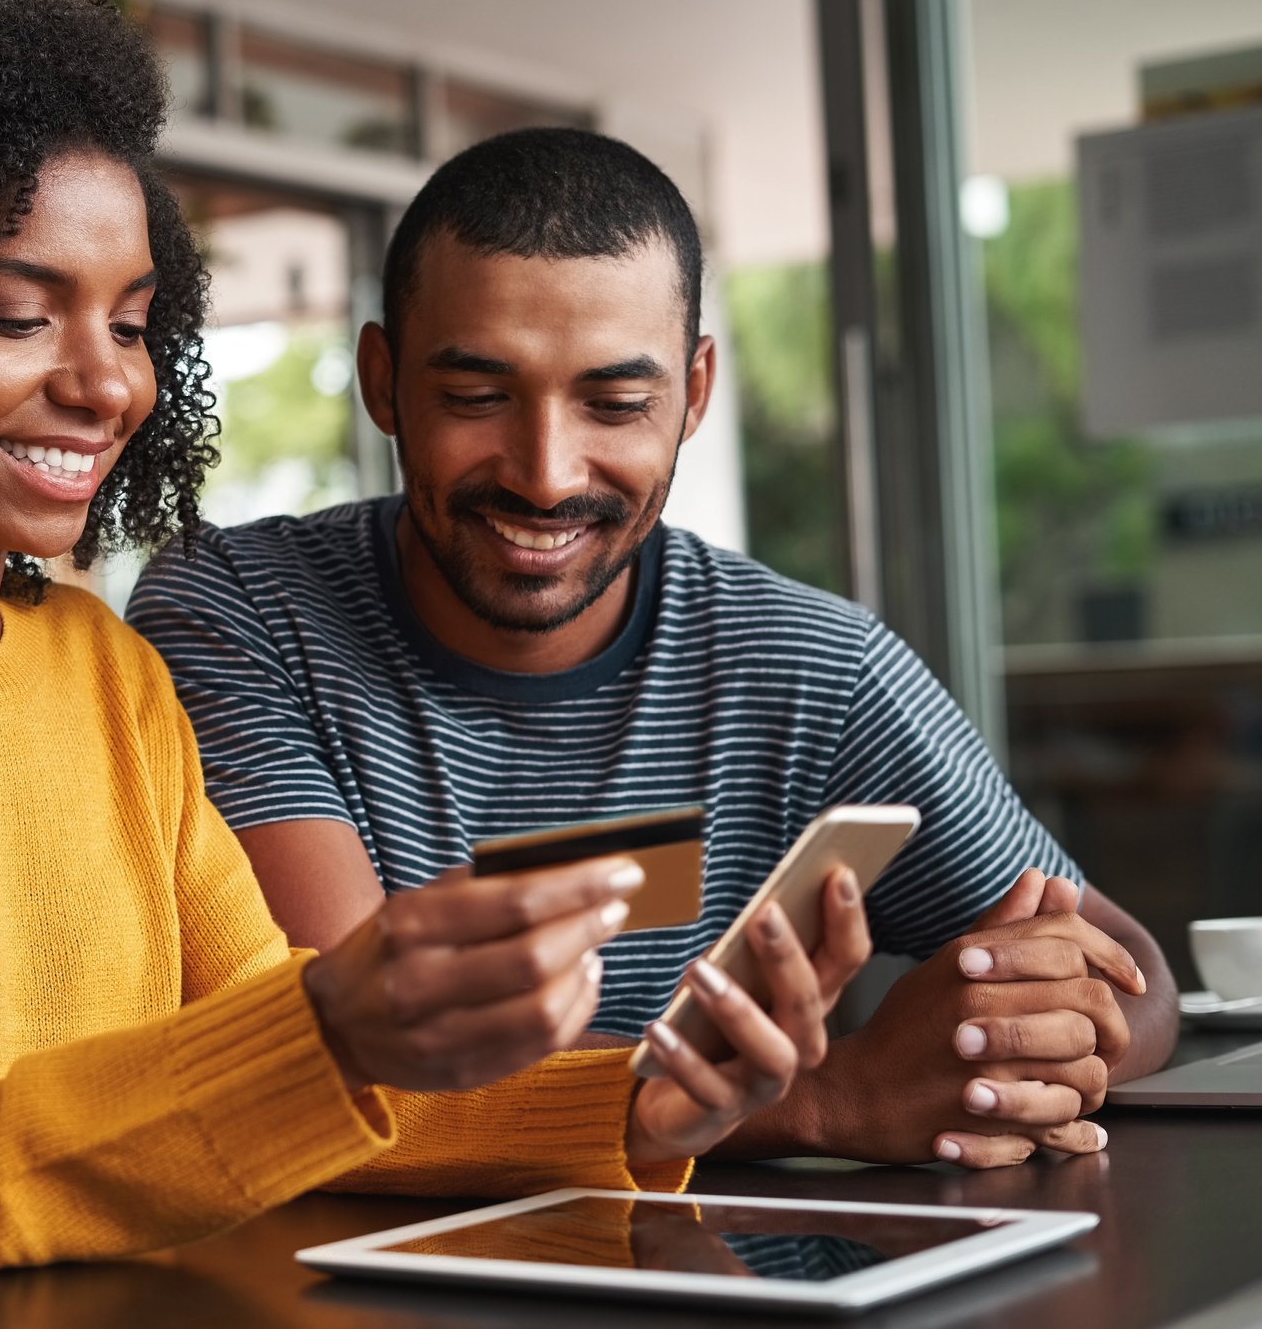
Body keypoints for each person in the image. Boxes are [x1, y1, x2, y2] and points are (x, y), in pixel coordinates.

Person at [0, 0, 872, 1329]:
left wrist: (631, 1099)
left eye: (135, 324)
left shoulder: (99, 665)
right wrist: (323, 1035)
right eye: (21, 316)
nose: (104, 383)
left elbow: (281, 1085)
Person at [127, 127, 1176, 1171]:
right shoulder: (239, 614)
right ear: (384, 380)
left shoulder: (810, 668)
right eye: (477, 396)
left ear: (696, 393)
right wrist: (828, 1100)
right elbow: (344, 1062)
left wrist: (1014, 1039)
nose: (545, 473)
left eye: (616, 403)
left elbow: (1132, 975)